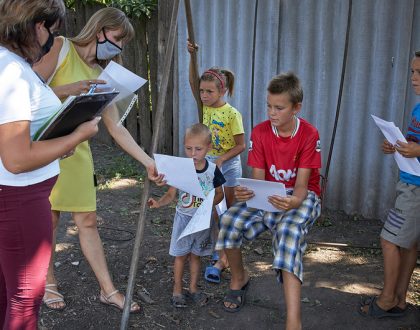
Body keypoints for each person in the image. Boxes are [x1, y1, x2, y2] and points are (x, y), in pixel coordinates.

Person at [33, 7, 163, 312]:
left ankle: (108, 290)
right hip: (45, 147)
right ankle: (48, 282)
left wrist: (148, 162)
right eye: (116, 38)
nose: (118, 47)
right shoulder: (62, 46)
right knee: (48, 220)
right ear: (99, 29)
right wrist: (71, 90)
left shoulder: (105, 73)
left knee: (88, 221)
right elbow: (32, 94)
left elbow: (115, 127)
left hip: (77, 152)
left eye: (123, 44)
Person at [0, 0, 100, 328]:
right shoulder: (12, 71)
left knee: (7, 290)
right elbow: (15, 160)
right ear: (38, 26)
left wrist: (56, 146)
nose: (51, 40)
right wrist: (76, 135)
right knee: (26, 296)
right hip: (20, 198)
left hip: (15, 194)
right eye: (52, 31)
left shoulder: (8, 63)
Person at [215, 72, 322, 330]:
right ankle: (239, 278)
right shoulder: (261, 132)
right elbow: (259, 182)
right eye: (269, 106)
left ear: (296, 107)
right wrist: (246, 193)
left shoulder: (309, 134)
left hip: (302, 196)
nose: (272, 113)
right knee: (229, 219)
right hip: (269, 196)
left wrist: (292, 202)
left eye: (279, 107)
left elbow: (301, 187)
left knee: (288, 231)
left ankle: (293, 320)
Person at [359, 51, 420, 318]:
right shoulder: (418, 107)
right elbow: (412, 142)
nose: (413, 78)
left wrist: (416, 150)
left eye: (419, 73)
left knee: (388, 240)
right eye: (412, 72)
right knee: (408, 244)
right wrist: (395, 146)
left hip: (415, 190)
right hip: (409, 182)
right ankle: (400, 300)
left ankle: (386, 300)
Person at [148, 123, 225, 307]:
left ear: (209, 147)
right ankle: (177, 289)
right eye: (188, 148)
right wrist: (158, 203)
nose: (193, 153)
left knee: (196, 255)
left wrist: (209, 204)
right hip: (183, 219)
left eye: (198, 149)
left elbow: (220, 194)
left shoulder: (213, 170)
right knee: (181, 255)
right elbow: (170, 195)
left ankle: (193, 288)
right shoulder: (181, 169)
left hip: (203, 221)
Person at [187, 41, 246, 283]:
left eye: (209, 92)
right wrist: (192, 57)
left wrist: (221, 159)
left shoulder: (232, 114)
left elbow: (241, 145)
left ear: (222, 91)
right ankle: (217, 253)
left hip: (228, 165)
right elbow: (192, 82)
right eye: (202, 91)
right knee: (211, 208)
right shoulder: (204, 108)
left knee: (229, 212)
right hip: (208, 164)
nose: (204, 95)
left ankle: (228, 255)